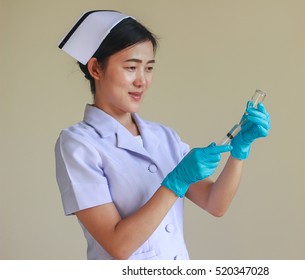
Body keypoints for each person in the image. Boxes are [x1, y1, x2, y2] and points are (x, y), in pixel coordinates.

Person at [55, 10, 271, 260]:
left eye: (148, 68)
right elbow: (118, 245)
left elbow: (215, 204)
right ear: (96, 68)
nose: (142, 81)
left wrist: (239, 151)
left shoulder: (163, 136)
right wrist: (175, 181)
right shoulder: (78, 144)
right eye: (131, 67)